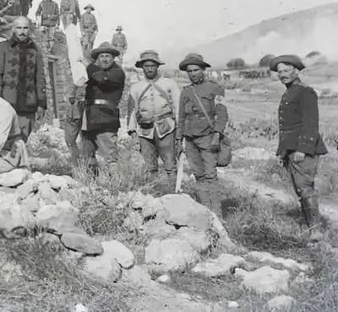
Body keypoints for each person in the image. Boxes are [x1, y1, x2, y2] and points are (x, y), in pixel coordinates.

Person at [269, 54, 326, 238]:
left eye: (286, 71)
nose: (282, 75)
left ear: (296, 71)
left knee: (305, 189)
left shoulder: (305, 92)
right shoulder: (289, 92)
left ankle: (315, 232)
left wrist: (303, 149)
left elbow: (310, 124)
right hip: (291, 151)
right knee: (301, 190)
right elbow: (287, 127)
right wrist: (283, 152)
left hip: (303, 151)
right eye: (279, 72)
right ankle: (312, 228)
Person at [176, 52, 229, 215]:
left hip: (208, 137)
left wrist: (217, 135)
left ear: (203, 69)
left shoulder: (215, 88)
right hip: (190, 139)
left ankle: (217, 214)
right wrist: (179, 139)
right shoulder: (185, 92)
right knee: (198, 175)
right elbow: (182, 117)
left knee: (210, 175)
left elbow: (222, 114)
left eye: (196, 70)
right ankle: (206, 211)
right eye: (189, 71)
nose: (192, 74)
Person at [127, 50, 180, 193]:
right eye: (146, 66)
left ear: (157, 66)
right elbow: (131, 111)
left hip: (167, 128)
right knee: (150, 166)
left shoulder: (169, 84)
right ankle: (155, 194)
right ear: (142, 67)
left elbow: (178, 106)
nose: (149, 68)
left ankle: (173, 194)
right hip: (145, 131)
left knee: (170, 165)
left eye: (152, 65)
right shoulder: (136, 87)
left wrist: (180, 130)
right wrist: (133, 132)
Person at [0, 17, 47, 140]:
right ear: (13, 29)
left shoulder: (36, 49)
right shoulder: (2, 47)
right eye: (19, 28)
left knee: (23, 140)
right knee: (6, 139)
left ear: (29, 30)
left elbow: (40, 77)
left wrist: (41, 103)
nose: (22, 31)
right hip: (7, 102)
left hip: (28, 104)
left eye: (25, 28)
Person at [82, 42, 126, 173]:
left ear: (113, 58)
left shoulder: (117, 73)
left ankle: (116, 186)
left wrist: (87, 65)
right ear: (98, 58)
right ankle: (91, 183)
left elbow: (101, 78)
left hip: (107, 118)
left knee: (110, 157)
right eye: (102, 56)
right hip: (89, 118)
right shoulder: (93, 73)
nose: (105, 59)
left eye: (108, 56)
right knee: (87, 155)